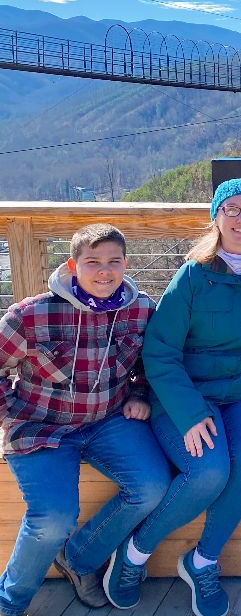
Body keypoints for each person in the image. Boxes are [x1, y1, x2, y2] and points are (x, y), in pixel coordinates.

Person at [108, 179, 241, 616]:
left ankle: (202, 561)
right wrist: (188, 413)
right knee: (207, 473)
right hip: (189, 396)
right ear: (216, 217)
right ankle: (134, 554)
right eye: (231, 209)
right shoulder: (194, 275)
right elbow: (160, 352)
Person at [0, 224, 169, 615]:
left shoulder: (141, 309)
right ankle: (10, 602)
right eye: (93, 262)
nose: (104, 271)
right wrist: (9, 410)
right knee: (53, 519)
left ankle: (79, 559)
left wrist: (140, 394)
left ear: (126, 264)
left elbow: (151, 363)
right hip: (41, 425)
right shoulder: (30, 315)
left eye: (114, 261)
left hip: (108, 420)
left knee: (152, 487)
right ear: (73, 265)